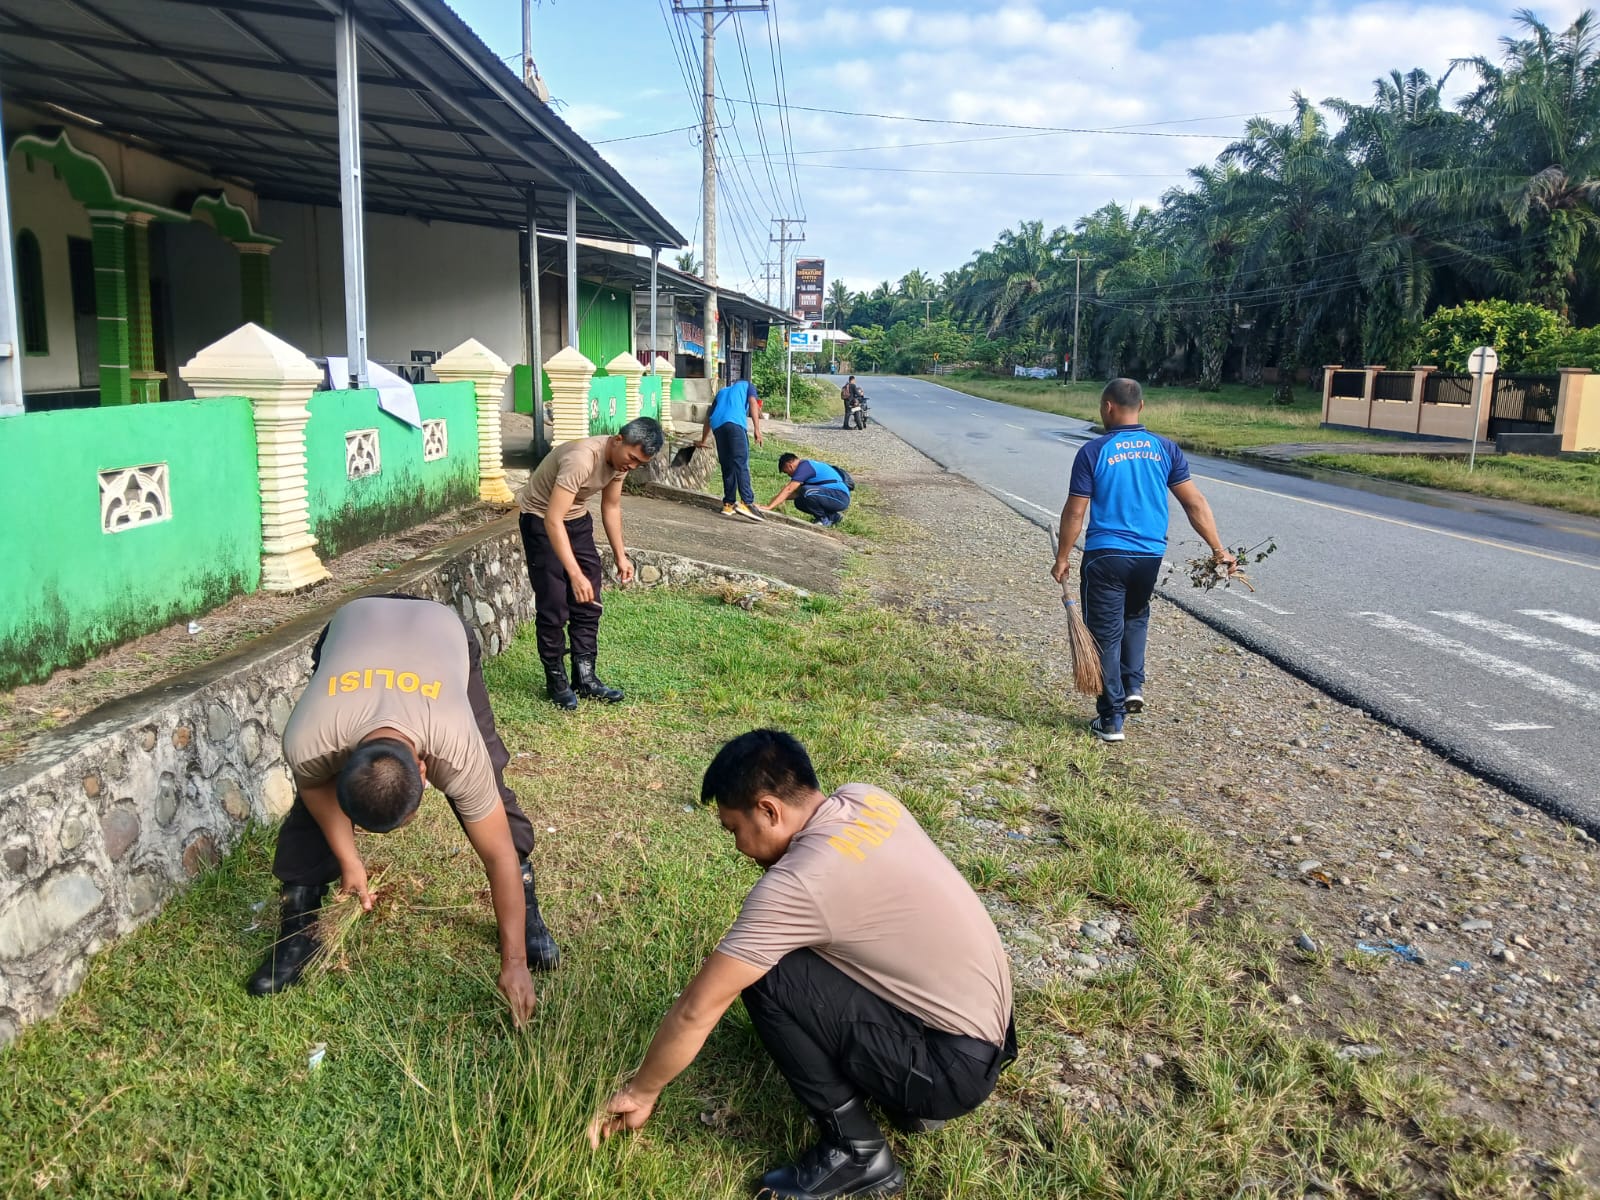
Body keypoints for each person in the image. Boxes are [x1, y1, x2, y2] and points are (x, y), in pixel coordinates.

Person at [588, 730, 1015, 1200]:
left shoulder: (800, 885)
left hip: (949, 1070)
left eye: (734, 829)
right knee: (798, 951)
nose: (737, 847)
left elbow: (697, 1008)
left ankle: (859, 1152)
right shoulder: (866, 799)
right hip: (990, 1029)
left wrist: (642, 1092)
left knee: (768, 974)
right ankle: (902, 1097)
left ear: (769, 810)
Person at [246, 595, 557, 1025]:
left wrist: (515, 963)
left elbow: (497, 855)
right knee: (307, 809)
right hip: (356, 622)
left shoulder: (455, 747)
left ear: (426, 770)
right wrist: (350, 861)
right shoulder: (311, 737)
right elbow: (316, 786)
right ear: (346, 760)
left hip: (440, 631)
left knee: (492, 786)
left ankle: (527, 909)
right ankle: (300, 925)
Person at [1051, 378, 1236, 743]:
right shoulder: (1165, 449)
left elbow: (1075, 512)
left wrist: (1062, 557)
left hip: (1106, 556)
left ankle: (1111, 720)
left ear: (1107, 407)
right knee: (1135, 616)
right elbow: (1194, 503)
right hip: (1150, 556)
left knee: (1105, 633)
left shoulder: (1094, 451)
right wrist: (1219, 550)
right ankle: (1133, 686)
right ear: (1142, 407)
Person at [519, 417, 664, 710]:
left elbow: (611, 506)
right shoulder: (581, 459)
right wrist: (574, 573)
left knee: (589, 602)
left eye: (639, 463)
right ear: (618, 440)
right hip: (540, 520)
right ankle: (556, 681)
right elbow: (552, 519)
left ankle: (585, 678)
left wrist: (621, 556)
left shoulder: (620, 464)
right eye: (632, 458)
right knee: (554, 605)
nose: (632, 466)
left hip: (576, 521)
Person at [698, 377, 764, 522]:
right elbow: (753, 403)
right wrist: (757, 429)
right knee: (740, 463)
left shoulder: (722, 392)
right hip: (734, 423)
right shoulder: (748, 385)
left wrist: (703, 440)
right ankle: (747, 502)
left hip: (718, 426)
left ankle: (728, 504)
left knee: (727, 465)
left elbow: (708, 417)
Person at [763, 453, 851, 527]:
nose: (789, 475)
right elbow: (795, 493)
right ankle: (833, 517)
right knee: (799, 501)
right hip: (831, 496)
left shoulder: (805, 466)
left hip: (840, 496)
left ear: (789, 465)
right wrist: (774, 500)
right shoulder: (806, 467)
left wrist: (769, 507)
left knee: (807, 492)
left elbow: (789, 489)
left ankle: (823, 519)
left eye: (786, 472)